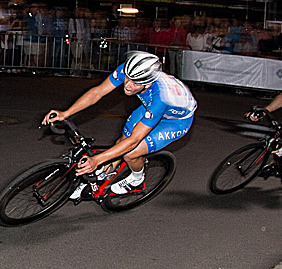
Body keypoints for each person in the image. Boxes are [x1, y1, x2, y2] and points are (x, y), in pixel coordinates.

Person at [42, 50, 197, 197]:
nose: (128, 85)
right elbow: (98, 92)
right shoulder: (130, 70)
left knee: (130, 152)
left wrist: (97, 159)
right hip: (149, 107)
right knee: (121, 141)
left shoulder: (160, 98)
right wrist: (66, 112)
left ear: (148, 84)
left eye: (135, 83)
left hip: (176, 120)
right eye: (127, 78)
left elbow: (133, 141)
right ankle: (101, 177)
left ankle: (137, 179)